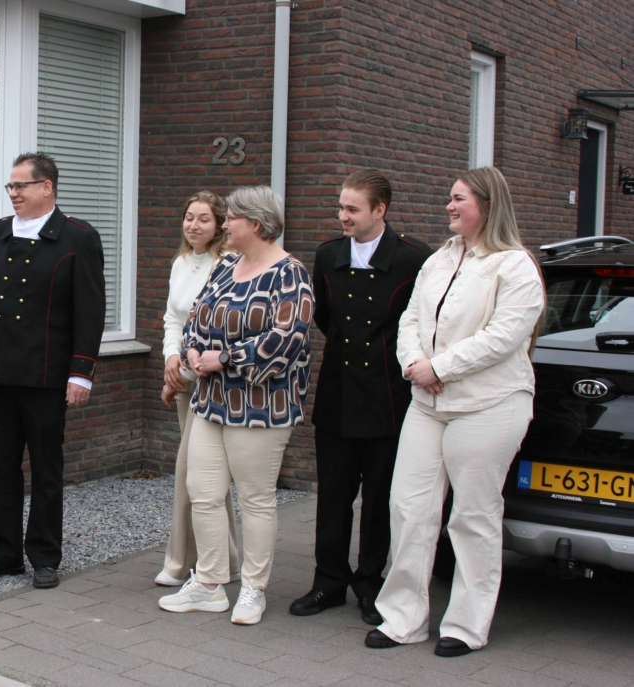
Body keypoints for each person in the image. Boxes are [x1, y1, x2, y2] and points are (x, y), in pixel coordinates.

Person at [365, 167, 544, 656]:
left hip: (489, 405)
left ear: (487, 204)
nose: (449, 205)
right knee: (408, 508)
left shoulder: (515, 266)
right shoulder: (440, 259)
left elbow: (504, 337)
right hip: (428, 404)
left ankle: (466, 625)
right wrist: (414, 365)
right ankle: (403, 619)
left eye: (458, 198)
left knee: (473, 516)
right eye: (450, 197)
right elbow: (410, 319)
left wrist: (440, 367)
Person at [158, 185, 313, 625]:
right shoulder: (227, 267)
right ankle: (209, 584)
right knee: (203, 491)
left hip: (261, 406)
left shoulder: (290, 275)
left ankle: (253, 589)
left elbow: (287, 339)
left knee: (256, 498)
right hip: (211, 401)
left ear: (256, 225)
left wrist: (224, 357)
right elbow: (196, 316)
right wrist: (190, 350)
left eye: (232, 219)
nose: (224, 224)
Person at [0, 152, 106, 590]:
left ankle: (44, 555)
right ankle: (4, 554)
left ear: (47, 187)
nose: (13, 193)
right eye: (10, 186)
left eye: (21, 185)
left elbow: (90, 312)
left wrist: (81, 373)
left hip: (46, 376)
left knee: (46, 469)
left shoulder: (78, 237)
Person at [291, 170, 430, 625]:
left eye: (352, 208)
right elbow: (326, 319)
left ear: (379, 210)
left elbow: (421, 324)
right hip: (337, 392)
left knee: (379, 500)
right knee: (332, 495)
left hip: (388, 397)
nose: (342, 216)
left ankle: (370, 584)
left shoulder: (414, 258)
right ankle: (328, 582)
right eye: (341, 207)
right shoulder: (328, 254)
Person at [156, 191, 242, 588]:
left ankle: (180, 562)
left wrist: (183, 374)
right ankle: (227, 559)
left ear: (220, 224)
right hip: (183, 378)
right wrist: (170, 359)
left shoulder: (229, 264)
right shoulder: (181, 262)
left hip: (212, 382)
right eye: (189, 217)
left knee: (190, 472)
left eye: (203, 219)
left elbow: (214, 329)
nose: (193, 225)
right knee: (206, 477)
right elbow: (174, 319)